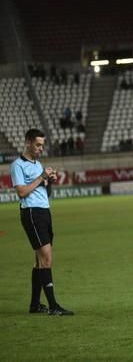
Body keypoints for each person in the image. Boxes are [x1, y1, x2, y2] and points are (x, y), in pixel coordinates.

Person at [11, 129, 73, 316]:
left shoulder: (38, 164)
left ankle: (35, 305)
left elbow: (45, 193)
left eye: (42, 145)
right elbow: (21, 192)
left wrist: (50, 181)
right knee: (46, 258)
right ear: (28, 142)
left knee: (39, 260)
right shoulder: (17, 165)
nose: (41, 148)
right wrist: (41, 178)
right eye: (38, 144)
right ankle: (53, 306)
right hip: (31, 213)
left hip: (44, 211)